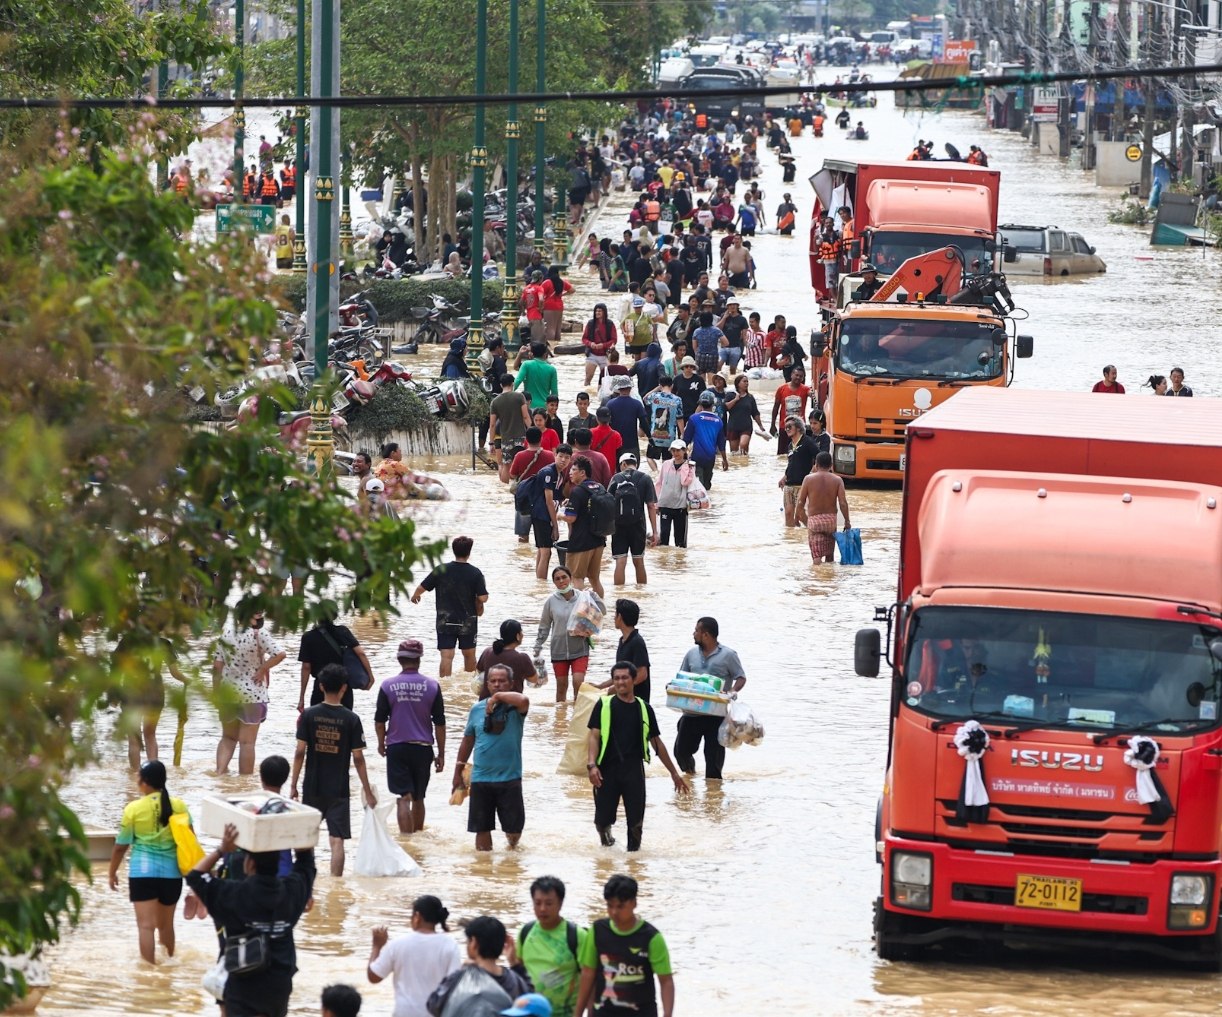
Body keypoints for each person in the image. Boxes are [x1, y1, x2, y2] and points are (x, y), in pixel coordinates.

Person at [187, 823, 316, 1017]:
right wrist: (301, 840)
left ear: (249, 864)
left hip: (243, 982)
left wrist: (222, 850)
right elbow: (306, 864)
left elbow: (195, 876)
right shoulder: (291, 891)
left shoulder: (233, 894)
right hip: (279, 986)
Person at [587, 662, 687, 850]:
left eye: (624, 678)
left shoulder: (644, 708)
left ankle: (634, 861)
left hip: (634, 771)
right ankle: (607, 849)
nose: (620, 682)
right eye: (616, 678)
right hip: (606, 771)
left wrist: (674, 773)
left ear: (633, 680)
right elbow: (594, 736)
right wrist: (592, 765)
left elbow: (657, 743)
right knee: (601, 821)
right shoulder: (604, 705)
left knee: (635, 824)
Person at [291, 665, 377, 877]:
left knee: (307, 836)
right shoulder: (351, 719)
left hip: (312, 786)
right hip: (339, 789)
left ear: (321, 686)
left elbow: (300, 752)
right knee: (337, 840)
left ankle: (306, 879)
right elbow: (358, 759)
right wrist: (367, 791)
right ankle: (336, 885)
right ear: (344, 688)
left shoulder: (309, 715)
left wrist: (293, 785)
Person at [108, 760, 191, 964]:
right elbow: (189, 840)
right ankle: (169, 965)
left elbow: (120, 846)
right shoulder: (179, 806)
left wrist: (112, 872)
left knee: (146, 927)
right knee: (166, 925)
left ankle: (148, 974)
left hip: (142, 873)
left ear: (144, 782)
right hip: (172, 874)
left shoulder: (134, 809)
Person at [452, 665, 530, 851]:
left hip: (509, 778)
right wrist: (457, 772)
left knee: (514, 831)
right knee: (482, 829)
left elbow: (524, 699)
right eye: (493, 681)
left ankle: (511, 854)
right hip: (480, 779)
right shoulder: (476, 709)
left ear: (511, 683)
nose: (497, 684)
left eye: (502, 681)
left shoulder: (516, 708)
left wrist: (497, 697)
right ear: (487, 684)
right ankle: (483, 866)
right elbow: (467, 741)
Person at [575, 875, 675, 1017]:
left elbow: (666, 981)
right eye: (610, 906)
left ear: (634, 903)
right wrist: (578, 1013)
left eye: (620, 906)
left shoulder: (651, 938)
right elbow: (588, 974)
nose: (614, 912)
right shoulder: (597, 931)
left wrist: (667, 1014)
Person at [375, 639, 446, 835]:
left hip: (397, 747)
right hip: (422, 748)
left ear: (399, 659)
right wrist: (441, 753)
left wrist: (381, 744)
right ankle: (417, 840)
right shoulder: (432, 685)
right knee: (419, 798)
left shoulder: (387, 686)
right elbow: (439, 723)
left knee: (403, 798)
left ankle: (406, 843)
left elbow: (380, 721)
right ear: (419, 660)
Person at [213, 608, 286, 775]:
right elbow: (280, 654)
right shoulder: (259, 634)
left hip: (228, 694)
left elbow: (217, 667)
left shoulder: (225, 634)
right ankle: (244, 782)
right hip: (253, 694)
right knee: (247, 743)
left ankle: (219, 773)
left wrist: (216, 693)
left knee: (227, 738)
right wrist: (262, 669)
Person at [673, 617, 746, 780]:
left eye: (696, 631)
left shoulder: (728, 655)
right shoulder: (691, 654)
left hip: (716, 716)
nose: (694, 634)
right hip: (691, 713)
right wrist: (672, 687)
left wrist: (733, 691)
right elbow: (681, 677)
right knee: (681, 751)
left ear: (706, 635)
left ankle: (713, 791)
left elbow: (741, 677)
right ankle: (690, 776)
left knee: (713, 765)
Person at [367, 896, 462, 1017]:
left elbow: (374, 977)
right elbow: (454, 986)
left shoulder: (398, 944)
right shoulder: (450, 945)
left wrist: (376, 947)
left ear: (417, 916)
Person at [411, 535, 489, 678]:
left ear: (454, 551)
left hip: (445, 620)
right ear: (469, 552)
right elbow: (483, 597)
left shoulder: (441, 569)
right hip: (467, 621)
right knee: (469, 654)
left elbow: (422, 587)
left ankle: (444, 687)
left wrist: (416, 595)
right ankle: (468, 684)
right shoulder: (475, 573)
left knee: (446, 656)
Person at [509, 876, 585, 1017]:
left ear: (560, 903)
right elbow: (519, 975)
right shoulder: (526, 932)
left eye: (549, 903)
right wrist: (512, 961)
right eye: (537, 903)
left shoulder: (576, 935)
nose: (542, 909)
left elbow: (589, 979)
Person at [111, 634, 187, 770]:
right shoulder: (163, 643)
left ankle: (135, 775)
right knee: (150, 735)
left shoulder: (127, 642)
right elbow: (175, 673)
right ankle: (153, 773)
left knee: (134, 740)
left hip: (131, 694)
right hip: (155, 695)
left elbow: (116, 670)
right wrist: (186, 680)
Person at [427, 916, 532, 1013]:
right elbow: (530, 998)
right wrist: (514, 964)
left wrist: (462, 970)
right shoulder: (514, 980)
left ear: (473, 942)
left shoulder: (461, 978)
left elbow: (433, 1004)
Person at [533, 566, 592, 702]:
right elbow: (544, 626)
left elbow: (600, 614)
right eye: (557, 579)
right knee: (561, 687)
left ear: (570, 578)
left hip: (580, 649)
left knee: (578, 683)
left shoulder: (583, 597)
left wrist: (594, 597)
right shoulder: (550, 601)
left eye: (564, 577)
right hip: (558, 650)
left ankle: (577, 713)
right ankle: (560, 715)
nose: (561, 581)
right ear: (554, 582)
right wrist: (538, 645)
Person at [298, 612, 375, 713]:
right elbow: (361, 653)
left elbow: (306, 667)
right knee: (345, 718)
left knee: (318, 719)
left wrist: (302, 697)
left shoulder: (308, 637)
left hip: (321, 686)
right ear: (334, 616)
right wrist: (370, 677)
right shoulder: (343, 631)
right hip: (343, 685)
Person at [560, 456, 608, 599]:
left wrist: (559, 515)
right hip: (599, 540)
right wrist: (571, 502)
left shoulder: (577, 491)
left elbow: (571, 518)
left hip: (581, 542)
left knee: (576, 577)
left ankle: (580, 608)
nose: (570, 473)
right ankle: (600, 607)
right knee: (594, 579)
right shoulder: (599, 487)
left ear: (582, 473)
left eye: (574, 470)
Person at [608, 453, 658, 586]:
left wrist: (606, 529)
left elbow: (608, 504)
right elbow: (651, 506)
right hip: (638, 525)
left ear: (623, 464)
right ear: (635, 464)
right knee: (639, 561)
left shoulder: (616, 478)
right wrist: (655, 532)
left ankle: (619, 594)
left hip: (618, 526)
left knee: (620, 562)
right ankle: (641, 593)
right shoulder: (645, 478)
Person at [797, 451, 852, 563]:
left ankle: (818, 573)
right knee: (829, 555)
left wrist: (797, 517)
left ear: (816, 464)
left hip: (814, 521)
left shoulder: (808, 479)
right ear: (831, 465)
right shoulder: (837, 480)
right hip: (830, 521)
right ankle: (829, 573)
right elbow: (843, 503)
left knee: (816, 556)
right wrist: (847, 521)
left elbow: (800, 502)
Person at [476, 619, 540, 697]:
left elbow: (479, 671)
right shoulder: (522, 658)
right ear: (518, 636)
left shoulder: (487, 652)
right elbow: (534, 680)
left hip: (486, 702)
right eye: (521, 632)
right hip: (512, 702)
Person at [490, 373, 533, 481]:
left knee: (506, 464)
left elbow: (492, 424)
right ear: (512, 384)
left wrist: (491, 442)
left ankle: (504, 488)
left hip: (505, 438)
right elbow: (525, 417)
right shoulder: (519, 397)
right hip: (521, 437)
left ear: (501, 385)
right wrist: (533, 431)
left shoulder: (495, 402)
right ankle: (520, 486)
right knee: (522, 463)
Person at [682, 391, 728, 490]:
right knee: (706, 487)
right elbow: (721, 444)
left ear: (700, 403)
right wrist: (725, 460)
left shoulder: (694, 418)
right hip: (710, 458)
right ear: (713, 404)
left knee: (697, 487)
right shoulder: (718, 421)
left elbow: (686, 440)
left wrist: (680, 456)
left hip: (696, 457)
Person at [777, 416, 819, 527]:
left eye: (790, 426)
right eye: (786, 427)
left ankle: (813, 530)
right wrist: (784, 477)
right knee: (788, 513)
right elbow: (791, 464)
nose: (787, 429)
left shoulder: (807, 441)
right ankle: (790, 537)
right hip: (789, 484)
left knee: (800, 514)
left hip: (802, 485)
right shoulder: (790, 445)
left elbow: (819, 457)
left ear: (798, 428)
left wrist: (813, 472)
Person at [656, 440, 694, 548]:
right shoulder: (666, 464)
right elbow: (659, 483)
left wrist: (686, 467)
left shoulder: (690, 466)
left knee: (680, 543)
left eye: (678, 450)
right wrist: (656, 504)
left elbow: (685, 482)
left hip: (681, 507)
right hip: (665, 505)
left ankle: (679, 559)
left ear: (684, 451)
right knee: (663, 539)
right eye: (673, 451)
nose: (675, 453)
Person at [642, 374, 683, 473]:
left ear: (660, 385)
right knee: (667, 460)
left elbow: (645, 399)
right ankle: (664, 475)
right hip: (670, 436)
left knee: (649, 457)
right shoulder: (677, 399)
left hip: (654, 435)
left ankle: (656, 473)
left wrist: (657, 388)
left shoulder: (655, 396)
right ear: (672, 385)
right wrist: (682, 433)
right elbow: (680, 418)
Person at [770, 367, 811, 454]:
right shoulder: (781, 389)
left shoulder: (805, 389)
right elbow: (776, 408)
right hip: (784, 426)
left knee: (798, 453)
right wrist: (772, 425)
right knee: (782, 455)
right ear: (791, 375)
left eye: (801, 376)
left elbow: (811, 393)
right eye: (796, 375)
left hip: (799, 428)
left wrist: (813, 393)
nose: (798, 378)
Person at [723, 374, 764, 456]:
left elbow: (755, 413)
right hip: (733, 426)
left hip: (746, 427)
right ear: (738, 383)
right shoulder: (730, 395)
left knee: (743, 445)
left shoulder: (750, 397)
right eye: (744, 381)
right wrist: (735, 400)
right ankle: (739, 464)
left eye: (747, 382)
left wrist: (760, 425)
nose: (746, 383)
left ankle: (745, 461)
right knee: (734, 453)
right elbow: (725, 407)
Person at [516, 341, 560, 411]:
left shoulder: (526, 365)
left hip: (529, 407)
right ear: (544, 354)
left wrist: (507, 395)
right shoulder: (552, 369)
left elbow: (517, 381)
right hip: (544, 408)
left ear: (532, 353)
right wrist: (553, 410)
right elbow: (554, 393)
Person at [581, 304, 617, 386]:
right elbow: (584, 339)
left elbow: (614, 340)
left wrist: (603, 345)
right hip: (592, 354)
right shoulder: (590, 323)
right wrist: (590, 344)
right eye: (596, 311)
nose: (597, 313)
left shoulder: (610, 324)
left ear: (604, 312)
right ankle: (586, 392)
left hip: (605, 355)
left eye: (600, 311)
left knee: (604, 380)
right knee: (588, 377)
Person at [541, 266, 574, 344]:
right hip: (559, 306)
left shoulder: (547, 282)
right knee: (557, 329)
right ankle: (557, 345)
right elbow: (572, 290)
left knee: (550, 328)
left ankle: (551, 346)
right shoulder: (562, 282)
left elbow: (540, 293)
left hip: (549, 306)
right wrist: (563, 294)